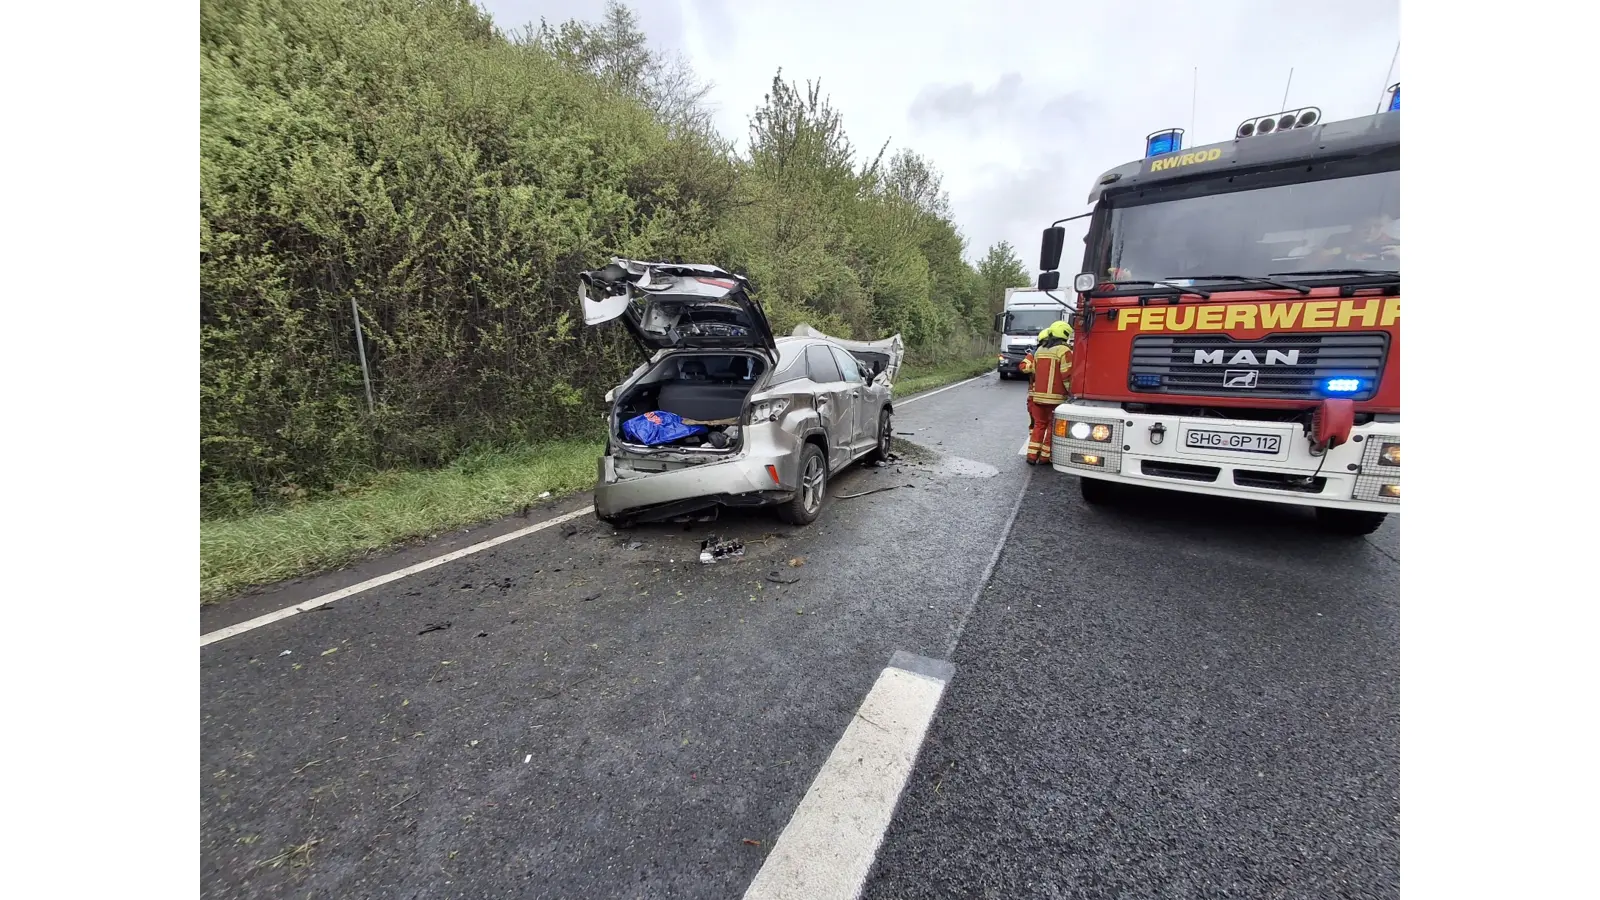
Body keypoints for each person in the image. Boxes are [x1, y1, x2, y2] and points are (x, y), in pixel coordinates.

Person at [1019, 321, 1074, 465]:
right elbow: (1067, 374)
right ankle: (1045, 457)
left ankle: (1031, 456)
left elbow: (1035, 372)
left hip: (1037, 396)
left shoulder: (1040, 351)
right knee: (1051, 427)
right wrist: (1072, 393)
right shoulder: (1064, 351)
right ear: (1065, 334)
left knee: (1039, 425)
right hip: (1056, 399)